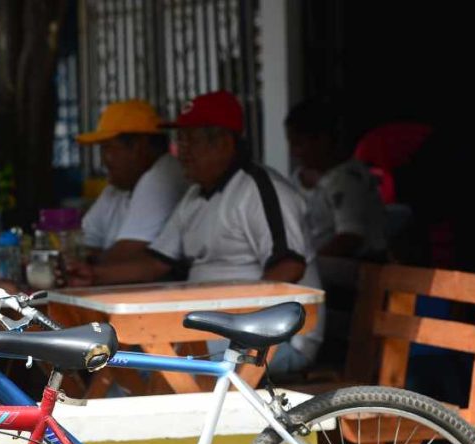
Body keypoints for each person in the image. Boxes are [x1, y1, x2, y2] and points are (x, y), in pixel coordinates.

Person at [149, 91, 324, 373]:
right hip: (217, 332)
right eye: (180, 140)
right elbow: (156, 262)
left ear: (224, 143)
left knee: (150, 369)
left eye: (191, 140)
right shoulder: (196, 195)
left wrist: (236, 321)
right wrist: (92, 275)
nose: (182, 151)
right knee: (130, 355)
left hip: (276, 340)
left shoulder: (259, 189)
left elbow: (289, 267)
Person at [70, 100, 188, 285]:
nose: (104, 160)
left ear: (139, 147)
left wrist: (87, 264)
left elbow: (127, 255)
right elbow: (80, 244)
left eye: (108, 148)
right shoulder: (118, 187)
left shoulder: (164, 173)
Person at [285, 98, 387, 292]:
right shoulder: (298, 178)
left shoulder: (347, 179)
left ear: (322, 141)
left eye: (299, 144)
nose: (294, 152)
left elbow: (350, 239)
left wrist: (306, 263)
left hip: (357, 270)